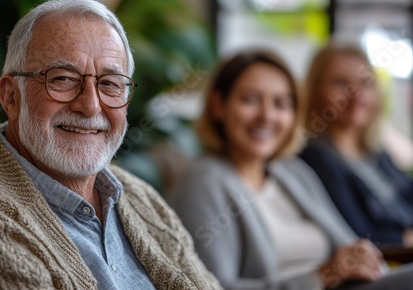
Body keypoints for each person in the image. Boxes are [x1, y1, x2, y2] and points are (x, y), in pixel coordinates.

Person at [0, 0, 221, 290]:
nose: (90, 106)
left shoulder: (137, 194)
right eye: (63, 79)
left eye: (110, 83)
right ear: (11, 97)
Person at [169, 49, 413, 290]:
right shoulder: (204, 181)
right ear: (218, 105)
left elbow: (349, 244)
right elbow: (210, 287)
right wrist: (319, 277)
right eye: (250, 100)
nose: (267, 116)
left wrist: (361, 258)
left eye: (281, 104)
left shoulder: (293, 172)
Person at [299, 42, 413, 247]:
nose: (356, 94)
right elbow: (357, 235)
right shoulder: (314, 158)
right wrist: (405, 240)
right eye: (341, 83)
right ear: (314, 90)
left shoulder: (375, 152)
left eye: (366, 83)